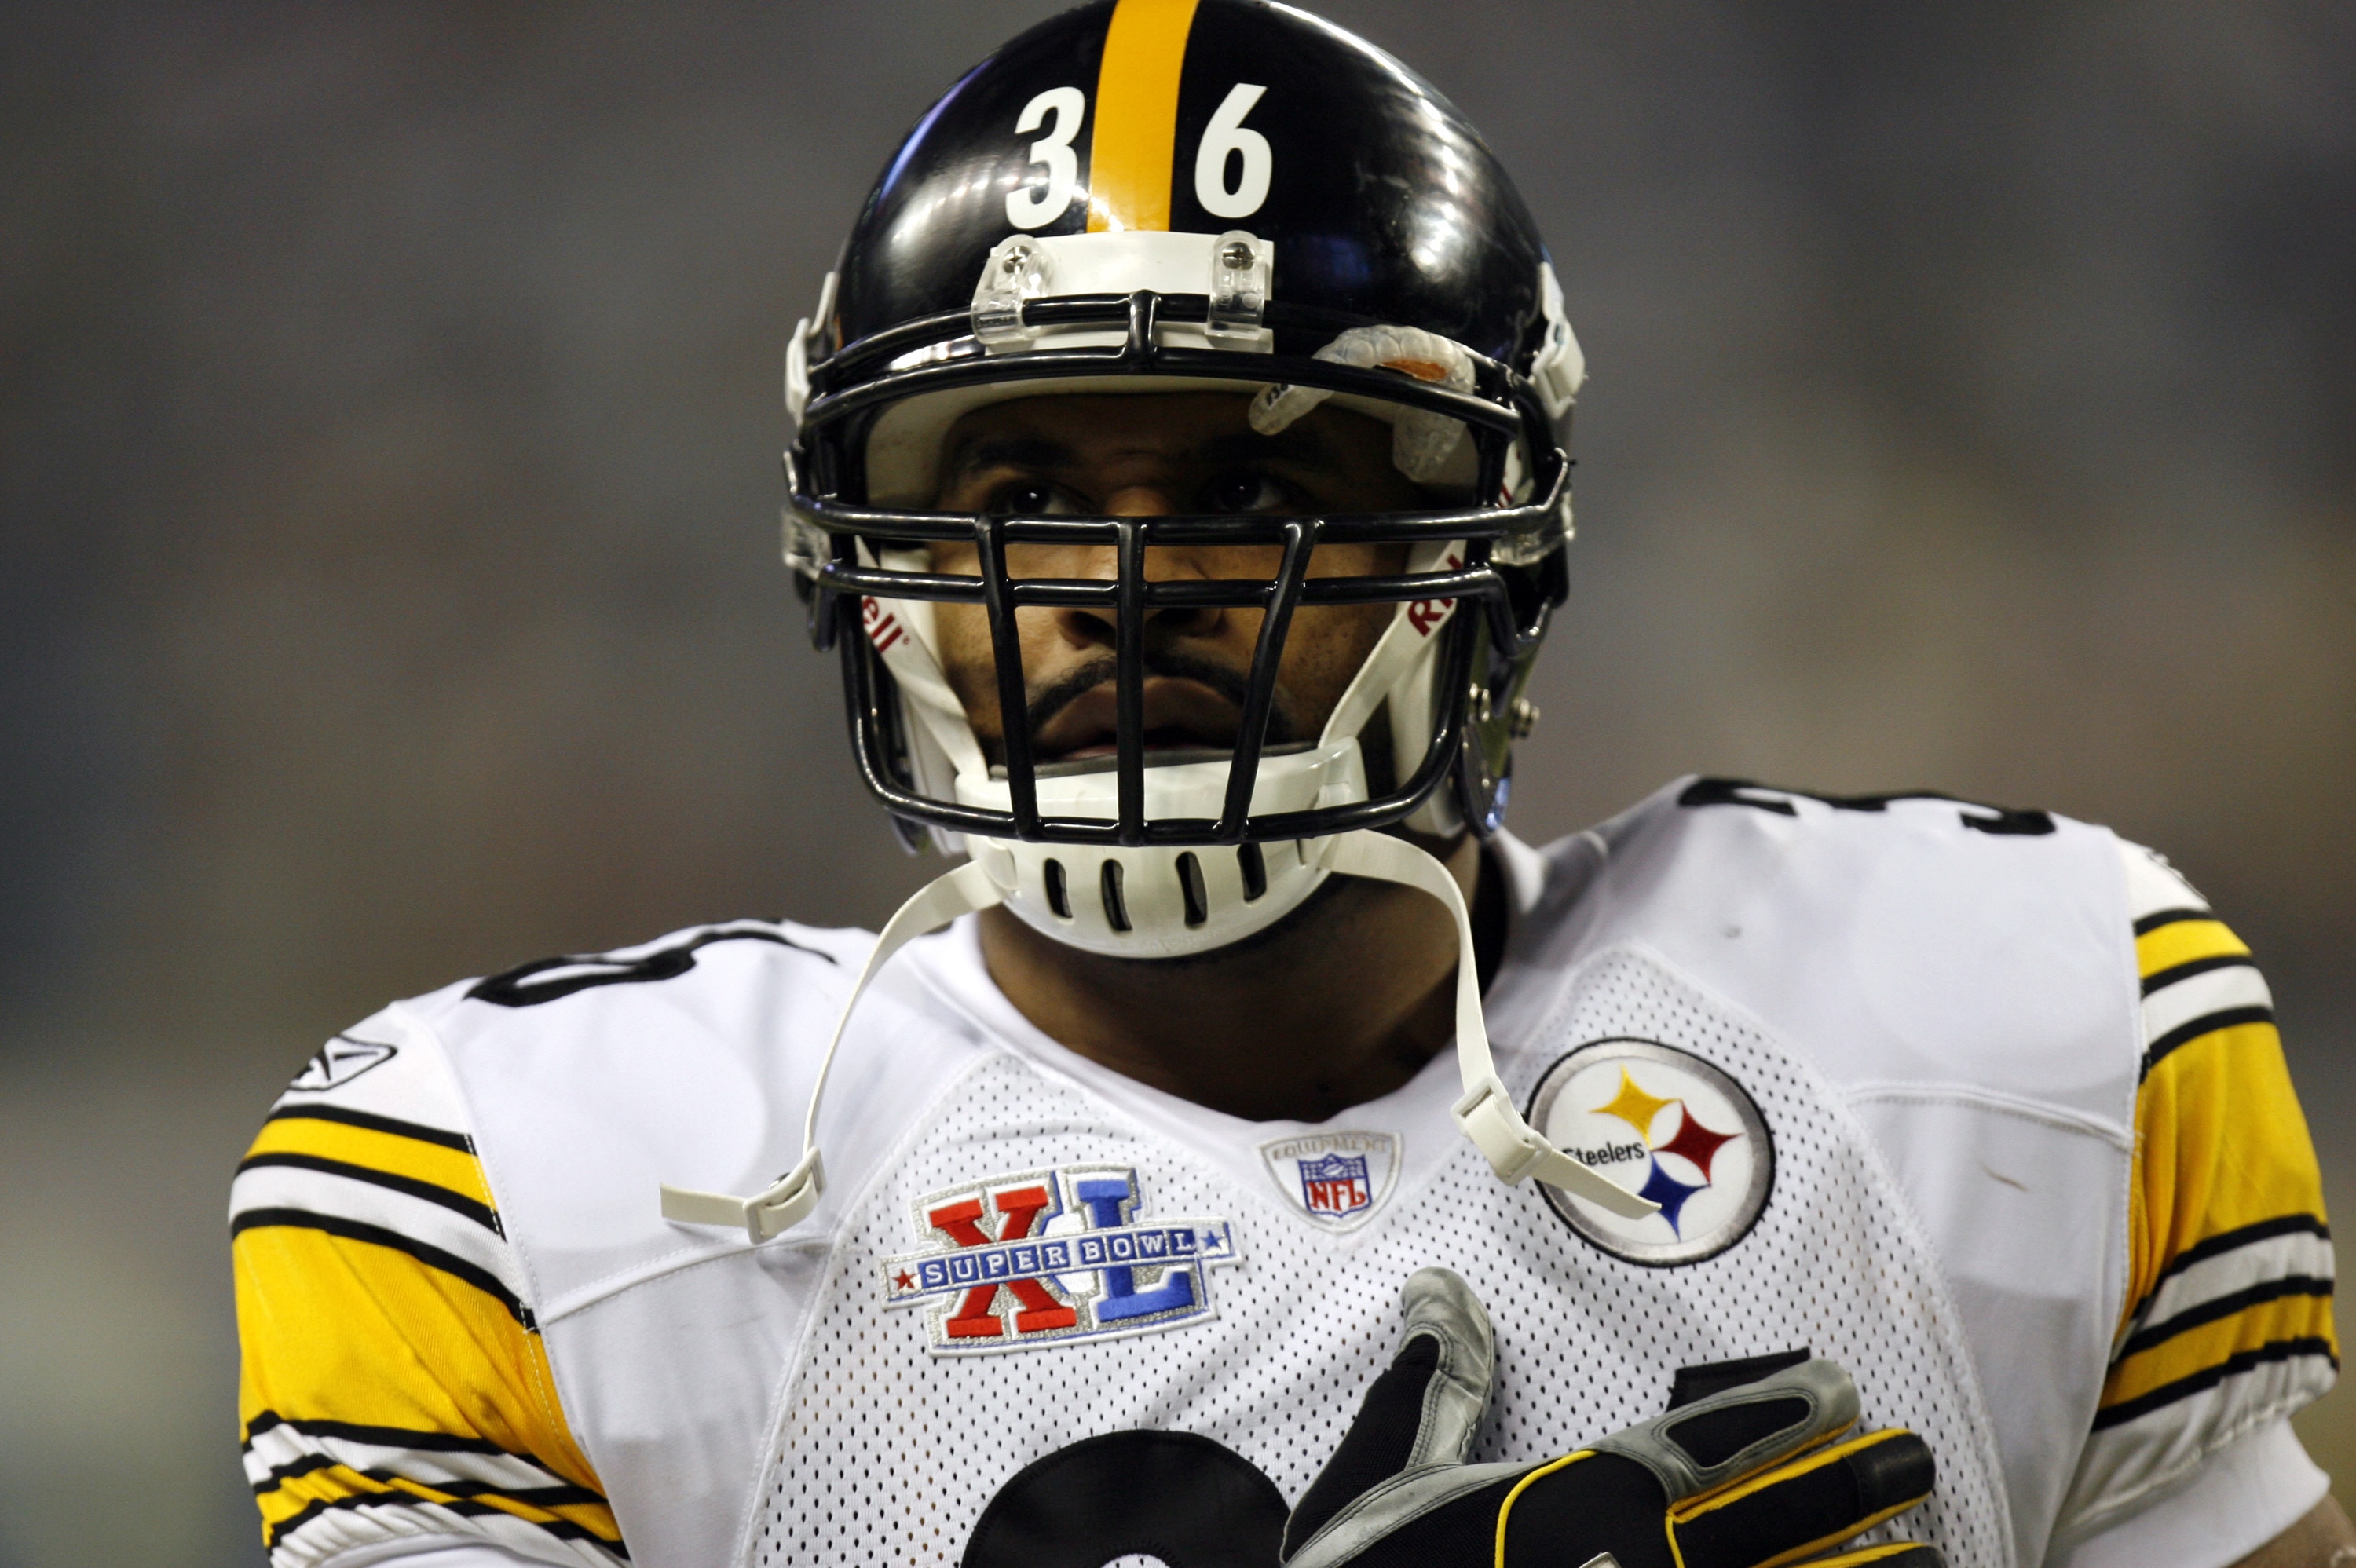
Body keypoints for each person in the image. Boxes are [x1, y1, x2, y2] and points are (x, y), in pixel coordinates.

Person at [229, 3, 2343, 1565]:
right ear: (861, 562)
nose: (1121, 590)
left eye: (1257, 485)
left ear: (1486, 558)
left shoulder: (2009, 1047)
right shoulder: (543, 1202)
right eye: (1029, 486)